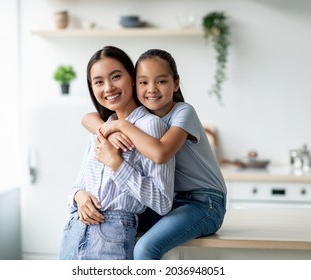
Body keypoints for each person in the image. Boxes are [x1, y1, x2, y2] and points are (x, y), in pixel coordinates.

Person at [81, 48, 227, 260]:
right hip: (172, 201)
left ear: (176, 83)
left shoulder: (183, 112)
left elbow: (161, 153)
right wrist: (108, 130)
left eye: (161, 81)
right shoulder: (145, 115)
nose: (152, 89)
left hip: (205, 203)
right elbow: (87, 117)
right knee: (119, 227)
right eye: (143, 82)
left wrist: (120, 126)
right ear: (135, 83)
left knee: (145, 249)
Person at [58, 46, 175, 260]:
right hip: (74, 232)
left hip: (112, 236)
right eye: (99, 82)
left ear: (132, 78)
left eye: (116, 76)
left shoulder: (151, 126)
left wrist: (117, 164)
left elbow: (162, 202)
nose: (109, 88)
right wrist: (79, 196)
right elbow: (77, 186)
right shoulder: (100, 129)